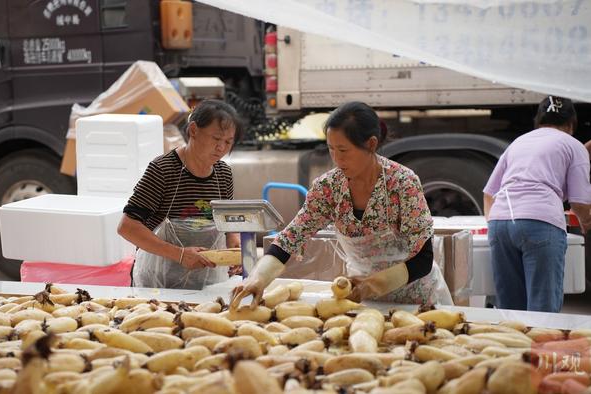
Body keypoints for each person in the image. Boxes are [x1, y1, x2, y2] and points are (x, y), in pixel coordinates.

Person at [231, 101, 451, 308]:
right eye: (331, 149)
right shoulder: (329, 188)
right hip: (360, 299)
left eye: (343, 151)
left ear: (371, 144)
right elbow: (290, 239)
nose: (336, 159)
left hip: (415, 300)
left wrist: (371, 285)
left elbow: (423, 260)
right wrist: (258, 278)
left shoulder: (402, 183)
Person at [118, 99, 243, 290]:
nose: (221, 148)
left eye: (228, 142)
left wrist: (234, 243)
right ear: (193, 130)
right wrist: (180, 254)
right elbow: (127, 227)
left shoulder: (223, 174)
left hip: (207, 282)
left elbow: (227, 223)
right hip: (158, 282)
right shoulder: (163, 170)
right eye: (216, 139)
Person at [483, 96, 591, 313]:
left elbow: (488, 193)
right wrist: (586, 223)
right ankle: (541, 347)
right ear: (572, 123)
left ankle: (513, 346)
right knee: (543, 308)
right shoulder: (573, 145)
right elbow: (580, 202)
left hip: (500, 223)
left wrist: (496, 225)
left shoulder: (519, 142)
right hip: (541, 222)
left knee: (510, 309)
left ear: (538, 120)